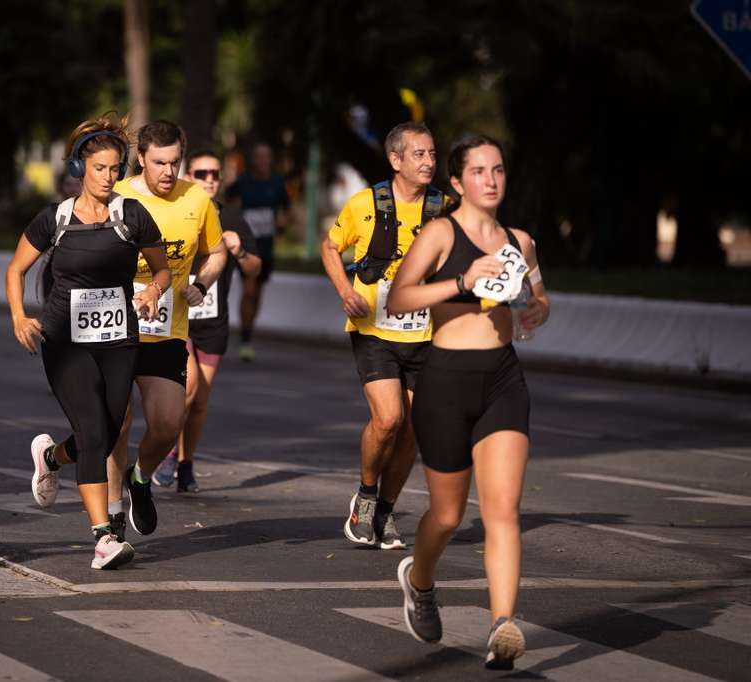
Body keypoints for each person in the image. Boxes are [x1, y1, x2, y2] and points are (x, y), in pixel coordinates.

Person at [386, 134, 549, 670]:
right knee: (449, 514)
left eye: (498, 169)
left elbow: (539, 298)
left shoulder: (520, 241)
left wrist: (534, 311)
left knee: (503, 509)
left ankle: (503, 624)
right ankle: (421, 578)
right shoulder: (439, 233)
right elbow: (400, 296)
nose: (492, 179)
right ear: (457, 183)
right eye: (479, 171)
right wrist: (461, 279)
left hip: (502, 379)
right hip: (446, 381)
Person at [6, 114, 170, 569]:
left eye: (116, 169)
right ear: (81, 169)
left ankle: (52, 457)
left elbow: (161, 269)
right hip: (66, 341)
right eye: (100, 168)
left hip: (118, 340)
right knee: (95, 432)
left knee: (110, 429)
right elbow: (15, 269)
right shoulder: (55, 219)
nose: (109, 177)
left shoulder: (131, 215)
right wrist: (20, 317)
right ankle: (103, 538)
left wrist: (154, 291)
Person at [321, 122, 452, 550]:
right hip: (374, 327)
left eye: (432, 154)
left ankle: (387, 511)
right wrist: (345, 292)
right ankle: (365, 496)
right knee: (389, 419)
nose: (429, 161)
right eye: (419, 154)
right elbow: (329, 247)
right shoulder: (366, 204)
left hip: (426, 332)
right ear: (396, 160)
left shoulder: (445, 208)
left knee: (413, 430)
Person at [105, 121, 226, 540]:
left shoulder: (196, 198)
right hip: (116, 330)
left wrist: (201, 283)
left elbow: (217, 250)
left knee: (169, 422)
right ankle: (113, 516)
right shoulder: (117, 196)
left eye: (175, 162)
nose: (168, 172)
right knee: (116, 423)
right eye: (159, 163)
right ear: (141, 159)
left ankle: (140, 477)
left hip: (168, 330)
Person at [152, 150, 261, 492]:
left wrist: (239, 250)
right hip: (179, 318)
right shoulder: (175, 211)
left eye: (215, 174)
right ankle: (167, 453)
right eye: (202, 173)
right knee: (190, 387)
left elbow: (255, 268)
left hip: (213, 321)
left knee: (200, 402)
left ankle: (186, 464)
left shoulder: (231, 218)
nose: (210, 180)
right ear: (189, 176)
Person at [225, 142, 290, 361]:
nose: (263, 161)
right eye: (259, 157)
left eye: (267, 157)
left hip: (267, 245)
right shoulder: (243, 181)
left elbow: (285, 209)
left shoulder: (276, 182)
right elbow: (227, 201)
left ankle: (248, 331)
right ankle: (244, 338)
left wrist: (281, 222)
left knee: (258, 292)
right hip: (247, 244)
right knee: (249, 290)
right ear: (253, 160)